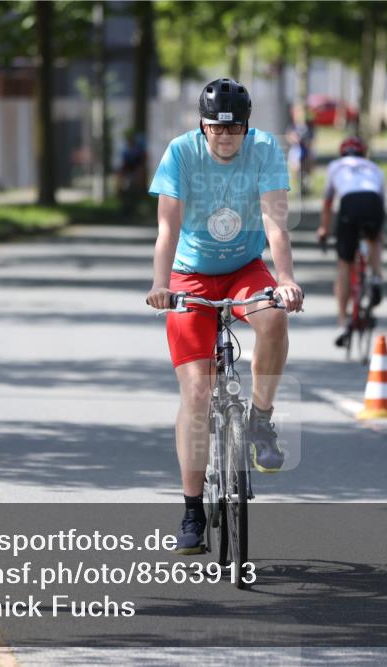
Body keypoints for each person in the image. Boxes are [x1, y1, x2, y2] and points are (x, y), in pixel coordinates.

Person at [144, 78, 304, 555]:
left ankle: (260, 417)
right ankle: (192, 510)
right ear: (202, 125)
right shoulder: (180, 153)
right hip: (189, 276)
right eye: (216, 129)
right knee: (197, 391)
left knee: (274, 317)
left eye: (234, 129)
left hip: (243, 270)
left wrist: (287, 278)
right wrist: (161, 285)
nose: (226, 137)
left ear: (247, 127)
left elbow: (276, 224)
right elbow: (167, 227)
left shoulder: (266, 151)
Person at [316, 136, 387, 347]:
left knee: (344, 264)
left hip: (350, 204)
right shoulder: (375, 168)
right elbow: (382, 203)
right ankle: (376, 276)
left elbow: (327, 203)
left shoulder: (336, 166)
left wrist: (324, 229)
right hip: (373, 203)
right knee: (375, 239)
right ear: (363, 154)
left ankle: (341, 319)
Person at [116, 128, 148, 216]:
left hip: (135, 173)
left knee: (134, 191)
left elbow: (140, 164)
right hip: (128, 174)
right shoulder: (126, 151)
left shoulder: (137, 151)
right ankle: (126, 209)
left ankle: (133, 209)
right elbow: (124, 164)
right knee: (125, 191)